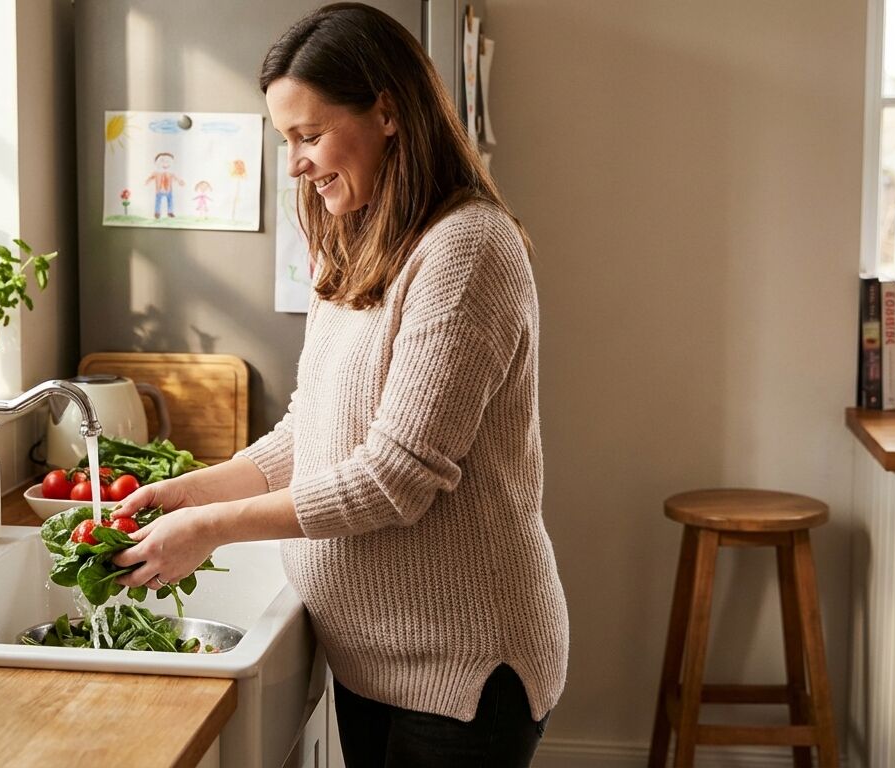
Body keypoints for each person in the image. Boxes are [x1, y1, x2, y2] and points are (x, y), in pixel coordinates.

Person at [112, 3, 567, 765]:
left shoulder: (467, 248)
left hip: (461, 670)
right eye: (285, 138)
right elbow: (312, 431)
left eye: (309, 135)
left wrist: (213, 529)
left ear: (387, 113)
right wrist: (199, 491)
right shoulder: (351, 242)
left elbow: (396, 479)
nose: (293, 163)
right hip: (372, 660)